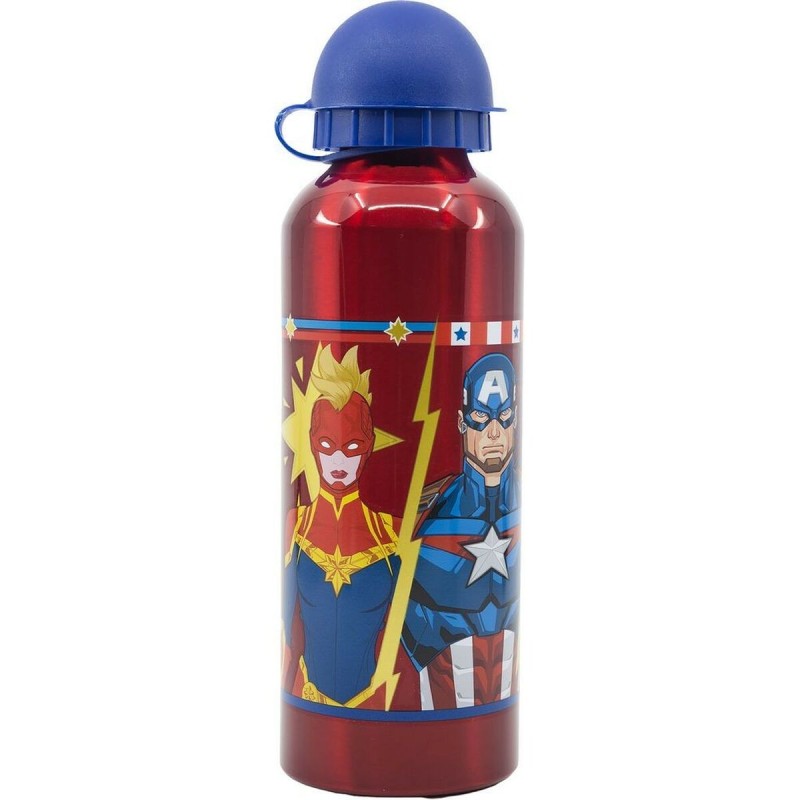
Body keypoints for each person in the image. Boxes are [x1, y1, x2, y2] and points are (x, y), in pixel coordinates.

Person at [283, 345, 400, 706]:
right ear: (311, 443)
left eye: (351, 447)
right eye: (326, 445)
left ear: (369, 446)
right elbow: (290, 634)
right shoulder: (295, 523)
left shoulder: (392, 532)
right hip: (308, 705)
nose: (338, 460)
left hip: (378, 702)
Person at [402, 353, 520, 709]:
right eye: (481, 418)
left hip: (504, 687)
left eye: (504, 417)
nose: (494, 433)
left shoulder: (521, 503)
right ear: (462, 422)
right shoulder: (430, 509)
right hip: (441, 679)